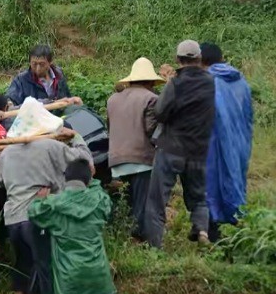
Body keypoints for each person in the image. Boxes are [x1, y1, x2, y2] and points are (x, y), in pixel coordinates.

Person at [0, 127, 93, 294]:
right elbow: (83, 160)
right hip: (38, 217)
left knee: (23, 262)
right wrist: (76, 137)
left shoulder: (6, 152)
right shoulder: (50, 145)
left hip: (13, 219)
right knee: (48, 267)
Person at [144, 40, 215, 248]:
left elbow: (160, 112)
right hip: (199, 150)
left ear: (178, 59)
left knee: (157, 200)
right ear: (199, 59)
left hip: (171, 149)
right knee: (199, 195)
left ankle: (155, 247)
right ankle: (201, 228)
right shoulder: (211, 83)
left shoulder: (175, 84)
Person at [29, 159, 116, 294]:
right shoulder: (100, 201)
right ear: (88, 178)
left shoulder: (53, 205)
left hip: (69, 283)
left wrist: (39, 200)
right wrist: (92, 178)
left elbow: (34, 212)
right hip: (99, 280)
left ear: (65, 179)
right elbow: (102, 195)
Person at [200, 42, 253, 242]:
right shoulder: (241, 81)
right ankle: (238, 230)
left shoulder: (209, 81)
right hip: (240, 142)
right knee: (235, 180)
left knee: (212, 185)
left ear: (202, 60)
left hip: (214, 143)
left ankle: (215, 235)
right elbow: (248, 116)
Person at [107, 57, 164, 239]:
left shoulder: (112, 99)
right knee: (142, 204)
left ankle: (120, 235)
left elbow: (111, 127)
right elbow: (151, 130)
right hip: (141, 160)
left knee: (125, 200)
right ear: (149, 81)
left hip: (116, 160)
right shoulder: (152, 99)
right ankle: (138, 239)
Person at [7, 45, 80, 106]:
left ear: (50, 62)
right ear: (30, 62)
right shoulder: (21, 80)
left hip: (59, 115)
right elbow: (10, 100)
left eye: (42, 64)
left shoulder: (58, 75)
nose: (38, 68)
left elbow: (67, 97)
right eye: (34, 64)